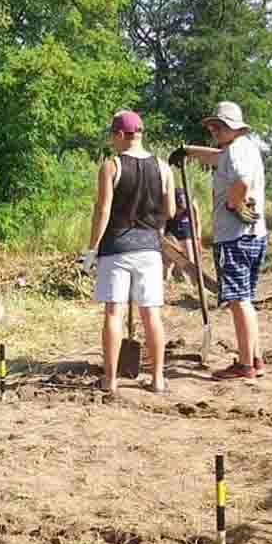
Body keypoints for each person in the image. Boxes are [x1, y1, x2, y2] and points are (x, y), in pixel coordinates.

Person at [80, 110, 175, 394]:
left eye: (113, 136)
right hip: (149, 248)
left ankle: (110, 380)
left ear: (121, 135)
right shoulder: (163, 167)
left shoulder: (112, 166)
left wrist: (92, 248)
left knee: (114, 313)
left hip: (117, 248)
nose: (112, 141)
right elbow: (169, 210)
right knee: (152, 315)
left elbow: (103, 210)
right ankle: (157, 379)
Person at [177, 101, 267, 382]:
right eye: (212, 126)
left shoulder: (237, 151)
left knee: (238, 301)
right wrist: (189, 152)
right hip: (252, 237)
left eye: (217, 126)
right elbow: (218, 159)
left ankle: (245, 364)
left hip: (235, 238)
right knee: (245, 299)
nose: (213, 130)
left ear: (231, 127)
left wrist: (234, 204)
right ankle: (254, 356)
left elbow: (240, 180)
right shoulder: (241, 148)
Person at [161, 188, 218, 293]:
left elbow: (197, 222)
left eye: (182, 210)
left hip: (186, 227)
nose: (180, 212)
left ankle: (196, 287)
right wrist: (166, 241)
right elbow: (162, 226)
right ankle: (165, 286)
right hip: (170, 228)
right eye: (178, 210)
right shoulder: (167, 204)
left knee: (191, 259)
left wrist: (198, 239)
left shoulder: (191, 203)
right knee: (168, 261)